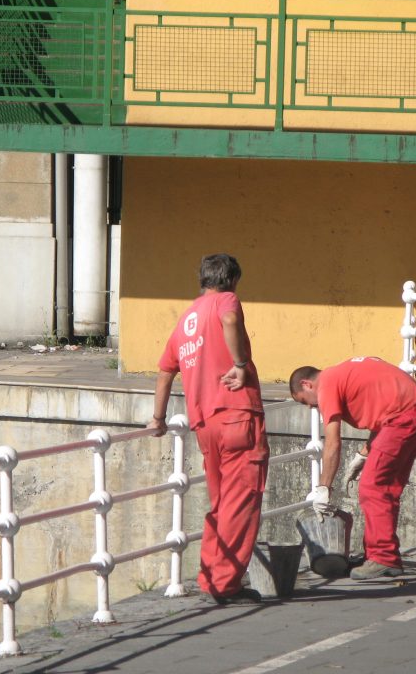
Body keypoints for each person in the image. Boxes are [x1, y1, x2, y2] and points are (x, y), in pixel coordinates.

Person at [149, 253, 268, 605]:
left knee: (221, 504)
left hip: (205, 424)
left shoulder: (187, 317)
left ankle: (210, 576)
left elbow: (164, 372)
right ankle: (225, 584)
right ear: (231, 280)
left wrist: (158, 419)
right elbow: (230, 317)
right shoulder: (225, 300)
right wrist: (240, 364)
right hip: (237, 415)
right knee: (241, 502)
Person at [289, 357, 416, 580]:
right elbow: (385, 409)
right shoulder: (342, 374)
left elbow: (332, 442)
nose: (310, 407)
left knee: (372, 487)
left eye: (304, 401)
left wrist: (323, 489)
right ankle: (381, 556)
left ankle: (383, 557)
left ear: (306, 384)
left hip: (404, 419)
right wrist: (363, 454)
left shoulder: (326, 383)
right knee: (386, 489)